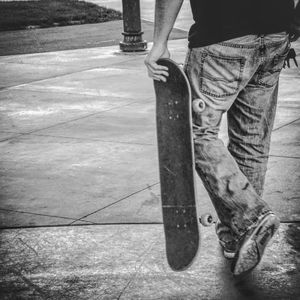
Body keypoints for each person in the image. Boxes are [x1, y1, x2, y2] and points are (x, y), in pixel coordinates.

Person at [145, 0, 300, 277]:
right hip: (277, 34)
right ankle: (237, 237)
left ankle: (251, 216)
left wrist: (159, 41)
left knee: (189, 133)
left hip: (221, 36)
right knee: (251, 140)